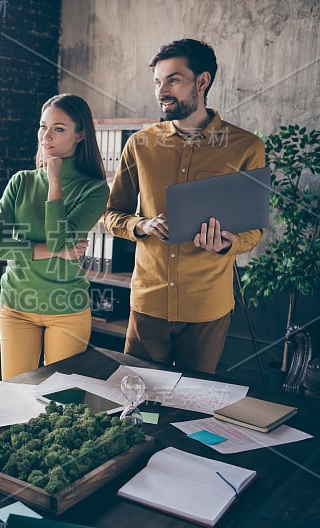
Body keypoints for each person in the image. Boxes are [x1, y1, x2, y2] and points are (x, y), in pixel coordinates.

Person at [103, 39, 265, 373]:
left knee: (190, 410)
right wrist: (141, 225)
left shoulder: (245, 147)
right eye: (157, 82)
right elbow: (109, 214)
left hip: (207, 307)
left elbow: (254, 230)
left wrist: (228, 242)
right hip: (148, 303)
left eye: (173, 80)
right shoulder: (140, 145)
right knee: (139, 403)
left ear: (202, 81)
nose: (162, 90)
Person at [0, 94, 110, 380]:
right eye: (43, 127)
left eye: (59, 129)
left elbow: (60, 240)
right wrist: (54, 252)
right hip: (16, 305)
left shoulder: (95, 189)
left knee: (60, 402)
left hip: (66, 308)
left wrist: (54, 181)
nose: (47, 136)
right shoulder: (21, 181)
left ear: (80, 135)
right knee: (15, 400)